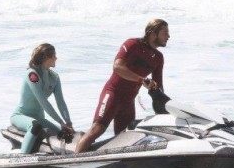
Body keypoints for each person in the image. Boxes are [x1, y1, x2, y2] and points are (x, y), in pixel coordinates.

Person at [74, 19, 169, 153]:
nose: (168, 37)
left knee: (125, 138)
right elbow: (118, 67)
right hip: (113, 94)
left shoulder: (158, 57)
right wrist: (141, 80)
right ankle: (73, 163)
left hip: (128, 101)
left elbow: (158, 86)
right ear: (153, 34)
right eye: (165, 33)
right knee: (97, 129)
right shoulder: (132, 44)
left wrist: (163, 103)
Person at [11, 43, 74, 154]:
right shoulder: (32, 75)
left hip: (39, 118)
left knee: (62, 134)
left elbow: (61, 102)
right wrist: (60, 122)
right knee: (35, 126)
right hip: (21, 116)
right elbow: (44, 102)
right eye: (54, 55)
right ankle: (21, 158)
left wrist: (68, 122)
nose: (56, 58)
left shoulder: (54, 77)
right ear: (46, 58)